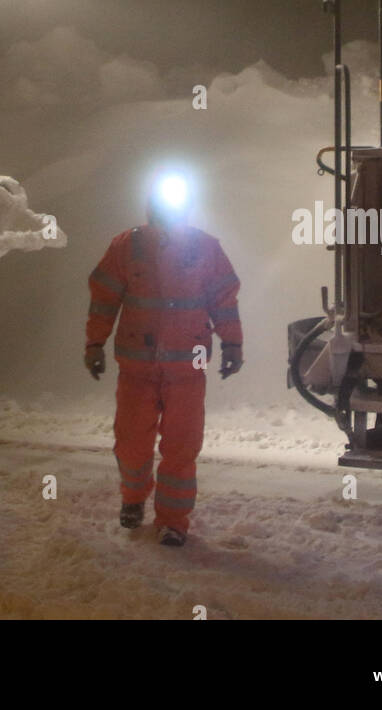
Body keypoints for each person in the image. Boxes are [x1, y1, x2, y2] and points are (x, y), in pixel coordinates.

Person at [84, 173, 243, 547]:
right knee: (131, 442)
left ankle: (173, 521)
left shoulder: (206, 248)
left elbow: (224, 300)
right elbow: (104, 298)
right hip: (137, 368)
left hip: (189, 367)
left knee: (182, 446)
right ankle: (133, 499)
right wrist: (94, 343)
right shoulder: (127, 246)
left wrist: (233, 344)